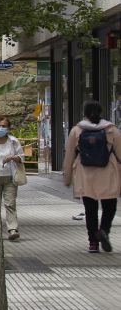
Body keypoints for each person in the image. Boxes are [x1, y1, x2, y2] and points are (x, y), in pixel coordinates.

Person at [63, 99, 121, 253]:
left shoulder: (77, 130)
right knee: (110, 206)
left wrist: (67, 177)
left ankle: (93, 243)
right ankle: (103, 230)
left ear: (85, 113)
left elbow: (69, 156)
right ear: (101, 112)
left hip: (85, 174)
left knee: (90, 209)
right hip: (108, 173)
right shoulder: (111, 130)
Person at [0, 116, 25, 240]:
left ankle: (13, 229)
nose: (1, 128)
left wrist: (13, 157)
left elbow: (21, 157)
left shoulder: (13, 141)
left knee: (10, 203)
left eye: (4, 126)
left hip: (10, 177)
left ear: (8, 128)